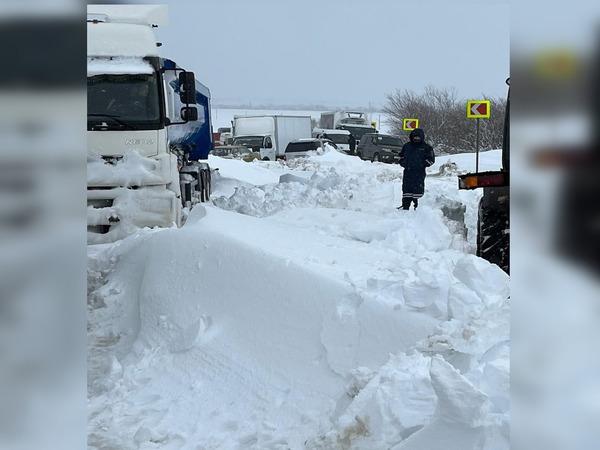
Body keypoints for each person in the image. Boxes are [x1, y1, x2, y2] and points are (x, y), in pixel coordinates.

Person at [398, 128, 435, 210]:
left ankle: (418, 208)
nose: (416, 139)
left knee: (418, 189)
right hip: (408, 172)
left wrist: (422, 164)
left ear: (422, 137)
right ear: (412, 137)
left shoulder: (427, 147)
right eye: (415, 137)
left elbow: (431, 159)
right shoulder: (407, 146)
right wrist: (403, 163)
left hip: (419, 173)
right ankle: (405, 206)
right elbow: (400, 157)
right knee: (406, 189)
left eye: (418, 137)